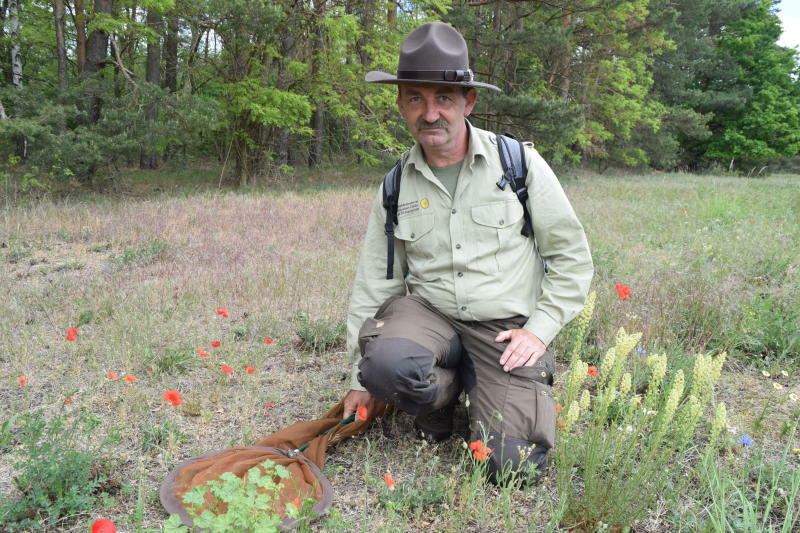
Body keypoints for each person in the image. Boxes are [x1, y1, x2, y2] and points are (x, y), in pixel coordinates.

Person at [342, 21, 593, 482]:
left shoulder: (519, 164)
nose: (430, 113)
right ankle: (442, 394)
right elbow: (376, 281)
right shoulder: (396, 184)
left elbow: (571, 257)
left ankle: (481, 381)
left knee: (510, 467)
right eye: (415, 98)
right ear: (400, 104)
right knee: (384, 364)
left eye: (443, 98)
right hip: (430, 317)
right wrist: (361, 383)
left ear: (468, 102)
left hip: (504, 332)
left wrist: (538, 332)